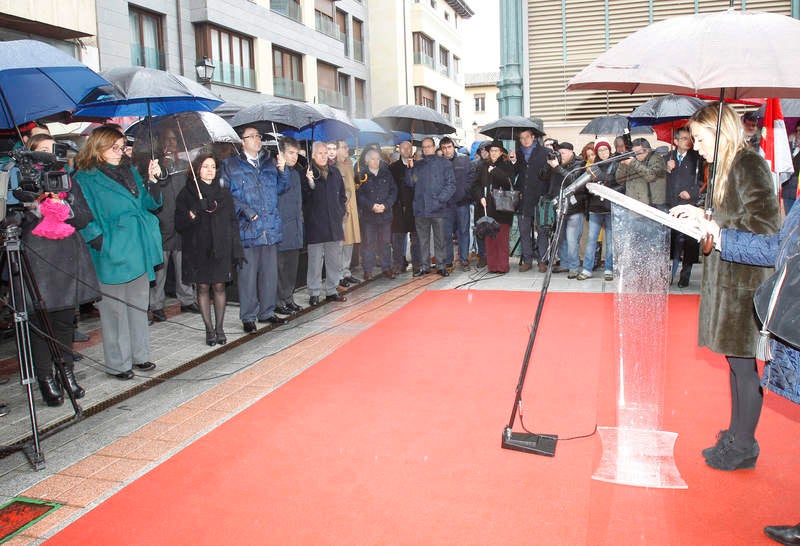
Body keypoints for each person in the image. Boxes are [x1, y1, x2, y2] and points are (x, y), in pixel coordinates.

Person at [670, 102, 781, 471]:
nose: (695, 145)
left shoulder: (748, 164)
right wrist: (703, 218)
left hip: (745, 284)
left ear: (720, 133)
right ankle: (736, 435)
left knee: (745, 367)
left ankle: (744, 445)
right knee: (737, 365)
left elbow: (766, 229)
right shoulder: (723, 167)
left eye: (700, 138)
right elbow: (732, 218)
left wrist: (718, 230)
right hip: (729, 280)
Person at [17, 134, 100, 404]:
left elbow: (85, 216)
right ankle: (45, 378)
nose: (48, 154)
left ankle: (66, 373)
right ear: (30, 154)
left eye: (52, 149)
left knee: (65, 320)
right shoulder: (21, 180)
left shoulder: (67, 180)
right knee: (40, 322)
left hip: (66, 257)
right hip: (36, 260)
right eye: (42, 150)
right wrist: (35, 208)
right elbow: (13, 221)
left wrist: (65, 207)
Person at [77, 126, 163, 380]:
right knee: (114, 310)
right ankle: (118, 363)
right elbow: (83, 215)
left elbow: (149, 203)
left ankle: (140, 355)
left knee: (138, 305)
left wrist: (153, 181)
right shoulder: (84, 177)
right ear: (98, 147)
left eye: (122, 146)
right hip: (111, 248)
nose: (120, 151)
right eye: (114, 147)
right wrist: (101, 241)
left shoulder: (131, 172)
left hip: (137, 245)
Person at [220, 126, 290, 333]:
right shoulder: (230, 165)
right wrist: (245, 210)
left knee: (269, 274)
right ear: (242, 142)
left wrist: (283, 171)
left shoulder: (270, 163)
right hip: (248, 229)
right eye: (252, 137)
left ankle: (267, 312)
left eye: (259, 136)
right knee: (248, 276)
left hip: (269, 226)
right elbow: (224, 195)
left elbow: (282, 188)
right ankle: (248, 316)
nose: (257, 139)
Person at [175, 153, 242, 346]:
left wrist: (235, 247)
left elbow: (232, 221)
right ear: (197, 169)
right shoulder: (187, 193)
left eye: (212, 166)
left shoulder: (224, 193)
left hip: (221, 247)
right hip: (198, 249)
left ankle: (220, 327)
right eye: (205, 166)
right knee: (203, 287)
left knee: (220, 286)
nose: (210, 170)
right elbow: (179, 223)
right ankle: (209, 329)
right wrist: (194, 211)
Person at [148, 127, 197, 322]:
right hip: (162, 223)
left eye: (174, 140)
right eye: (166, 140)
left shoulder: (185, 166)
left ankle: (187, 299)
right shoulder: (154, 167)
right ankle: (157, 305)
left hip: (182, 223)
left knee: (184, 265)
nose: (170, 144)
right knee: (160, 269)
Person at [302, 141, 348, 305]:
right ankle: (314, 292)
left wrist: (340, 212)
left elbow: (342, 196)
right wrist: (309, 183)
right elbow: (305, 198)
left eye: (324, 153)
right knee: (315, 262)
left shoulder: (335, 172)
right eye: (319, 153)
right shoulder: (308, 173)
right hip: (316, 225)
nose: (323, 156)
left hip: (333, 224)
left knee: (333, 260)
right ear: (313, 155)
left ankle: (331, 290)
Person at [405, 137, 456, 276]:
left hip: (438, 208)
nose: (426, 149)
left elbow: (451, 185)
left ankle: (441, 265)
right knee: (423, 240)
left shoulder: (444, 164)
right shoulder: (417, 165)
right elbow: (409, 183)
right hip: (421, 208)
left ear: (434, 147)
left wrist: (440, 200)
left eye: (429, 146)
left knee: (440, 239)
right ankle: (424, 266)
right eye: (424, 147)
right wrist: (409, 169)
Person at [665, 126, 703, 288]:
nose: (687, 142)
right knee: (673, 241)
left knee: (689, 242)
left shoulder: (697, 158)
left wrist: (692, 193)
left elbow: (702, 181)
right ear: (676, 141)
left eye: (689, 138)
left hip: (689, 205)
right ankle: (670, 274)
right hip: (672, 205)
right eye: (683, 138)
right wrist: (667, 168)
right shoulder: (669, 157)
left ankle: (685, 275)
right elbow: (659, 179)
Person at [541, 142, 586, 278]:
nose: (561, 156)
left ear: (571, 152)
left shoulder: (579, 163)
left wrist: (558, 167)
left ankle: (573, 267)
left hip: (575, 207)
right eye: (559, 153)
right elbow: (542, 176)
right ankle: (565, 263)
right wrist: (550, 165)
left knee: (572, 239)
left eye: (564, 153)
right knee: (561, 239)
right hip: (559, 206)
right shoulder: (556, 163)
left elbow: (573, 181)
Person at [577, 140, 620, 281]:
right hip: (595, 208)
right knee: (591, 240)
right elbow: (584, 187)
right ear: (596, 152)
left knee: (610, 242)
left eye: (605, 150)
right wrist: (591, 188)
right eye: (600, 150)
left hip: (610, 207)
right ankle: (587, 269)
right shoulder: (592, 166)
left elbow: (622, 185)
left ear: (610, 151)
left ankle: (609, 269)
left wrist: (607, 189)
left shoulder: (616, 164)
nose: (603, 153)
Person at [512, 128, 550, 273]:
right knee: (524, 230)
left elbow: (549, 174)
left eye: (527, 137)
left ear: (533, 137)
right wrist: (513, 162)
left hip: (540, 197)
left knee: (542, 231)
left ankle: (542, 260)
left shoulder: (544, 152)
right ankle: (527, 260)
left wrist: (548, 194)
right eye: (521, 138)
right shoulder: (518, 154)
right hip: (524, 198)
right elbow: (513, 173)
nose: (524, 140)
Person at [473, 141, 515, 274]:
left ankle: (502, 266)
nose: (494, 153)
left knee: (502, 238)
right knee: (490, 238)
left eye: (496, 151)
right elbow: (475, 184)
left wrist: (495, 171)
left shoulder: (507, 165)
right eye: (492, 151)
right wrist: (480, 197)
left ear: (501, 152)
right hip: (487, 207)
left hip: (502, 207)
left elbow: (509, 183)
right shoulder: (483, 165)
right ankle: (492, 266)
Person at [274, 136, 304, 316]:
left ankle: (288, 297)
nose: (294, 157)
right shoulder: (275, 172)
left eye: (296, 153)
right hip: (279, 227)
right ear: (281, 154)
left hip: (295, 227)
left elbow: (299, 201)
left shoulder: (296, 173)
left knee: (292, 267)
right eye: (290, 153)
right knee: (279, 267)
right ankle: (278, 301)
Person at [357, 148, 397, 279]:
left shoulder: (387, 174)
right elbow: (359, 195)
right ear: (367, 160)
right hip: (369, 216)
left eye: (378, 158)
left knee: (385, 243)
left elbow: (393, 191)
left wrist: (385, 205)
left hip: (385, 215)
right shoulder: (362, 175)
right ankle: (368, 269)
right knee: (369, 243)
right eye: (373, 159)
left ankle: (387, 268)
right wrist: (371, 206)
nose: (376, 161)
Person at [440, 136, 474, 272]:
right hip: (447, 205)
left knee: (464, 232)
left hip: (462, 202)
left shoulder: (464, 159)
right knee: (447, 233)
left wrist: (465, 192)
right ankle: (449, 261)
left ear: (453, 147)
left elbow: (471, 177)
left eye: (449, 147)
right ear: (441, 150)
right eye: (444, 148)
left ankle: (464, 259)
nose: (447, 150)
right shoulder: (440, 163)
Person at [389, 141, 420, 275]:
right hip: (398, 207)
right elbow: (390, 187)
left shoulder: (418, 166)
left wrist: (412, 169)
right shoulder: (393, 167)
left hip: (414, 206)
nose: (406, 150)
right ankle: (398, 263)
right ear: (399, 150)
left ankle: (417, 264)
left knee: (416, 238)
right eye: (403, 148)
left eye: (408, 148)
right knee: (398, 238)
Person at [616, 137, 667, 210]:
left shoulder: (656, 159)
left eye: (637, 152)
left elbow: (651, 176)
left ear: (646, 150)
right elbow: (619, 180)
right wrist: (622, 165)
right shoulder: (634, 160)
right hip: (633, 204)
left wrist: (633, 162)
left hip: (652, 205)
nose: (636, 155)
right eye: (634, 152)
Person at [336, 140, 361, 288]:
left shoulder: (349, 164)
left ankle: (346, 271)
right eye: (344, 147)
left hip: (352, 207)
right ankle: (338, 275)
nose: (347, 150)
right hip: (342, 208)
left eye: (347, 146)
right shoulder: (334, 167)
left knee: (349, 242)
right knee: (340, 243)